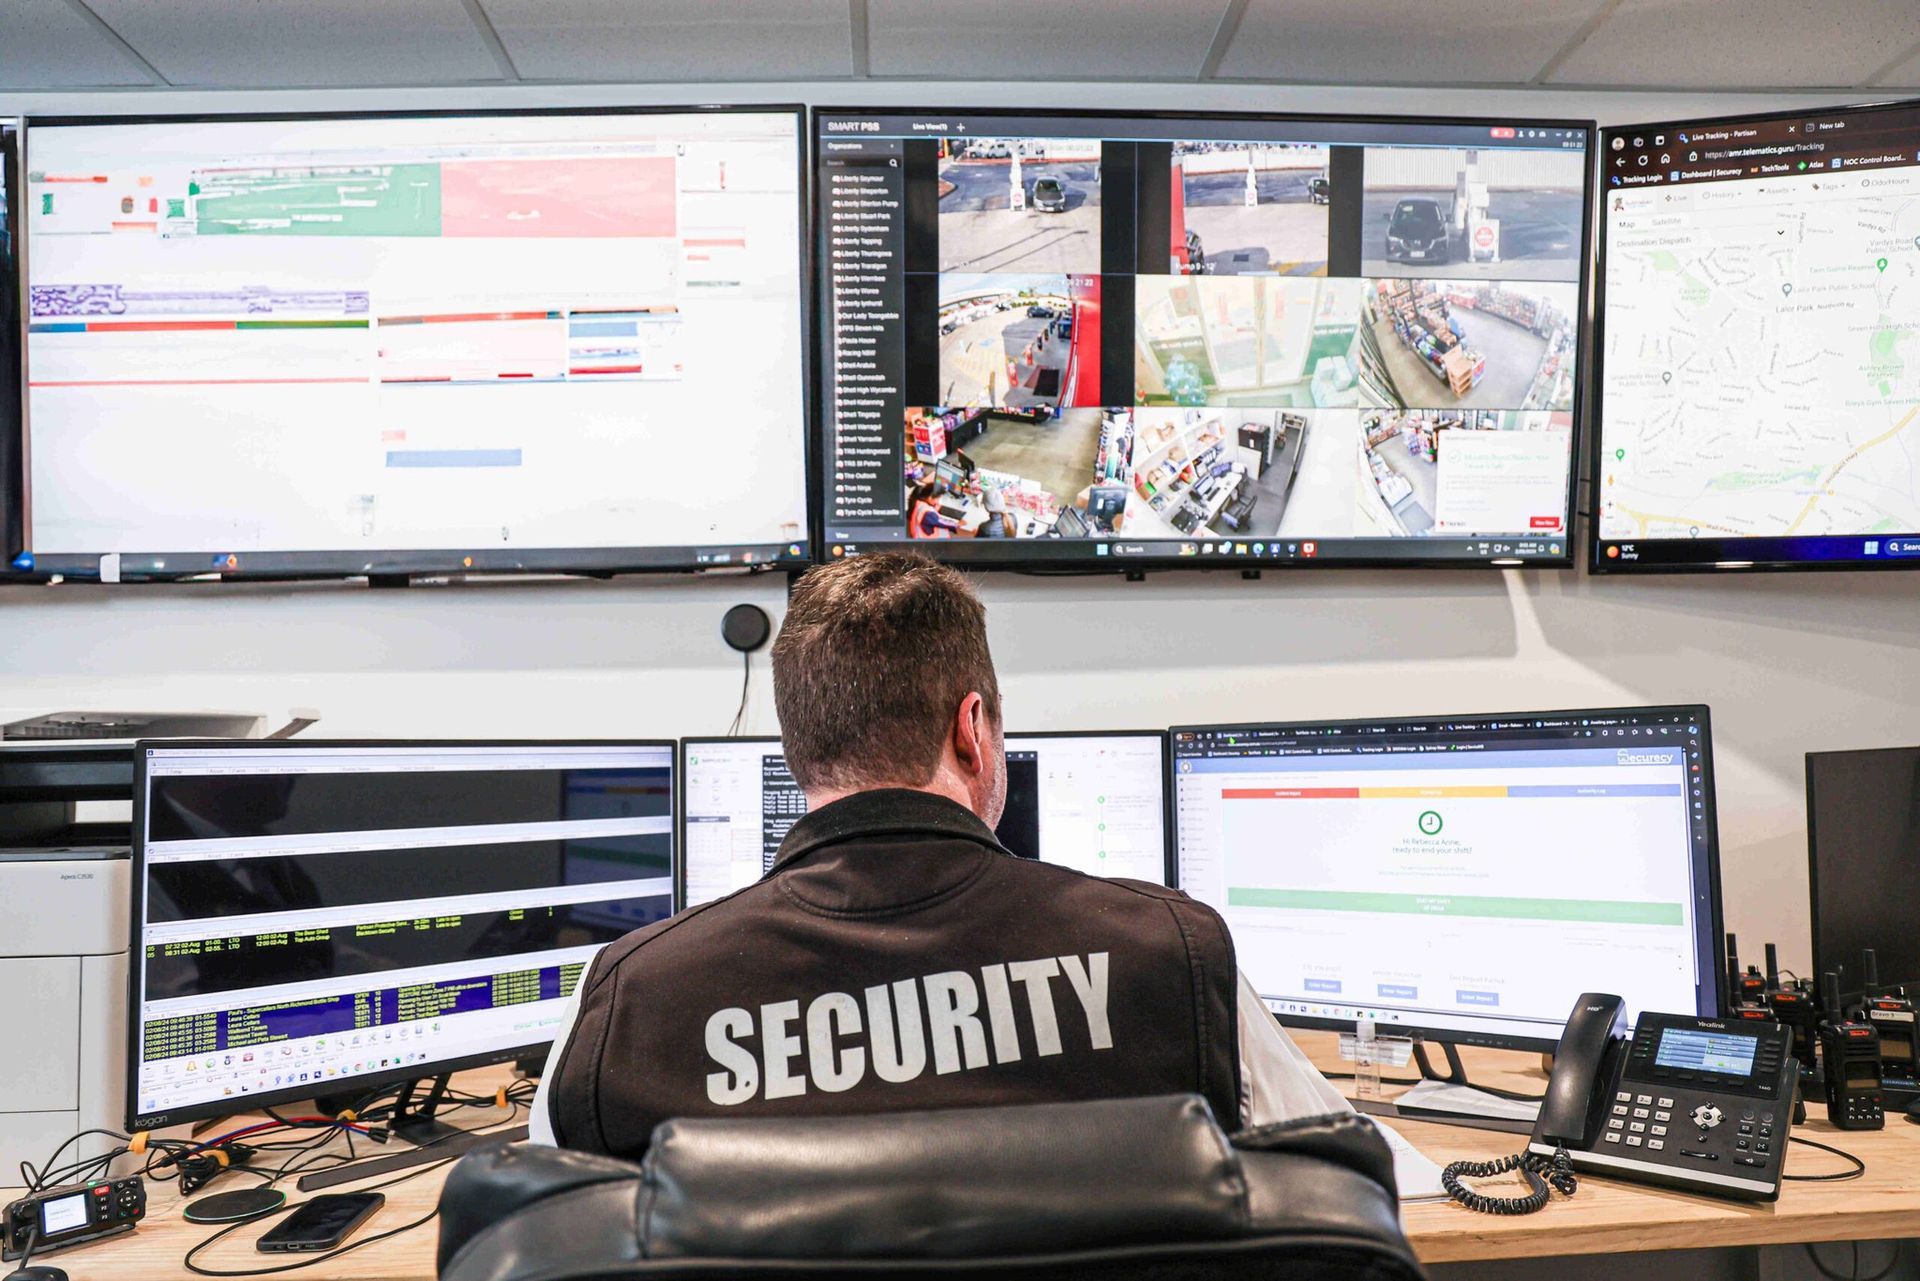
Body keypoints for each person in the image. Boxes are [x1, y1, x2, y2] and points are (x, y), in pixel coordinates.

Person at [531, 553, 1344, 1156]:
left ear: (796, 751)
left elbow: (545, 1241)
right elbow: (1340, 1185)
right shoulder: (1173, 955)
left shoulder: (626, 1004)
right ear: (972, 727)